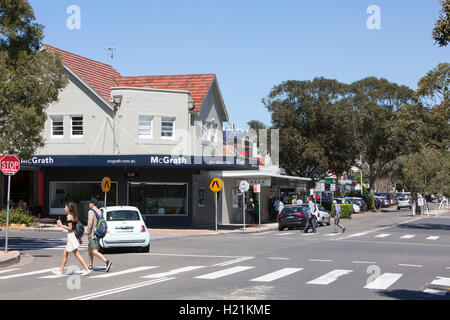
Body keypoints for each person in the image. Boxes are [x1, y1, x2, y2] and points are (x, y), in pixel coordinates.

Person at [54, 202, 90, 275]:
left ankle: (86, 269)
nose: (64, 208)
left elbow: (70, 228)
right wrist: (79, 238)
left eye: (65, 207)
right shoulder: (74, 215)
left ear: (69, 208)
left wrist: (61, 225)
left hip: (71, 236)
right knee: (66, 253)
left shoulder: (69, 216)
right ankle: (60, 271)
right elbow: (75, 227)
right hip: (73, 236)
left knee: (76, 254)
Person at [86, 197, 112, 272]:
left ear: (92, 204)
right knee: (89, 248)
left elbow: (90, 223)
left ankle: (107, 261)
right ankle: (90, 265)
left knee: (94, 251)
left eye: (89, 203)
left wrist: (88, 232)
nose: (89, 204)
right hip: (98, 233)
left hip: (93, 234)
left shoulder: (91, 212)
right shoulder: (100, 211)